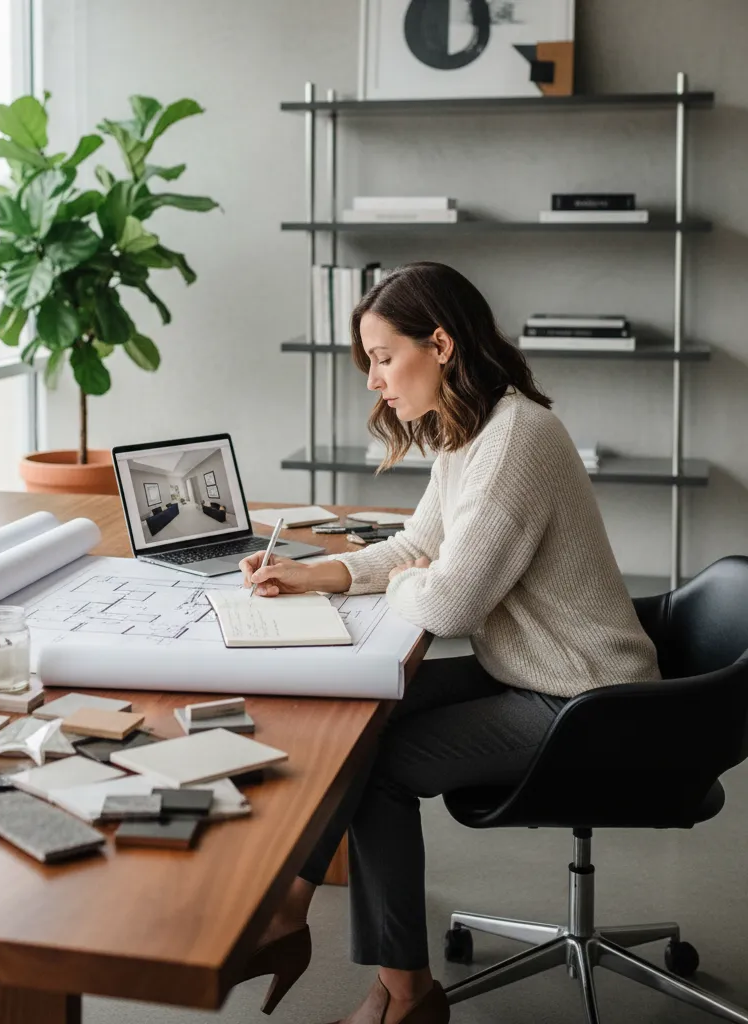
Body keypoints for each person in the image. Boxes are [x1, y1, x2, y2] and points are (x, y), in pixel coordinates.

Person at [237, 262, 661, 1024]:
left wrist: (415, 580)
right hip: (531, 673)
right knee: (361, 713)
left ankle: (402, 994)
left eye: (382, 357)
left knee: (382, 766)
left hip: (588, 697)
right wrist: (318, 575)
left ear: (440, 343)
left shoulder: (517, 439)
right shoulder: (474, 430)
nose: (373, 381)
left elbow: (453, 601)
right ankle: (298, 912)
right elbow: (416, 549)